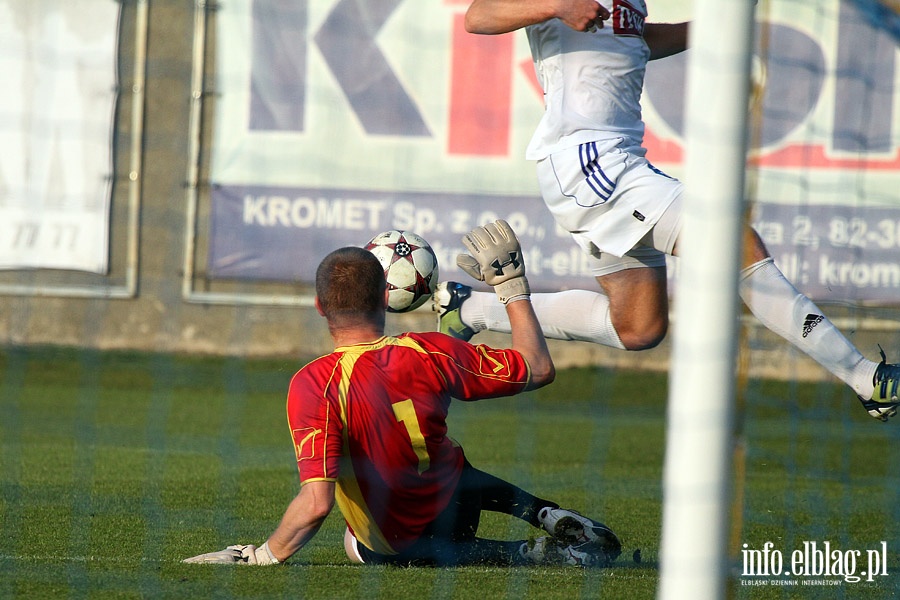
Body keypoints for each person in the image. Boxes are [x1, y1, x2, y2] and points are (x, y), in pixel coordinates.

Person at [432, 0, 900, 421]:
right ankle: (865, 377)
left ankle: (470, 308)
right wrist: (557, 6)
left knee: (638, 327)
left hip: (613, 163)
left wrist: (710, 29)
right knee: (732, 242)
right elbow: (479, 15)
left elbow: (635, 40)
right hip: (590, 161)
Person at [183, 220, 622, 568]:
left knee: (358, 545)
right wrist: (510, 286)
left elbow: (316, 503)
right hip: (459, 499)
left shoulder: (314, 383)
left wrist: (263, 554)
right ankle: (542, 512)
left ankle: (529, 553)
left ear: (320, 307)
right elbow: (538, 368)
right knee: (446, 461)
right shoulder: (431, 350)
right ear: (386, 297)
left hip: (409, 537)